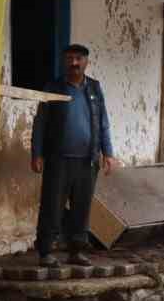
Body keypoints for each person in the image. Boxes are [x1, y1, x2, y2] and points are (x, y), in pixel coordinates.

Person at [30, 43, 118, 266]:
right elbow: (40, 123)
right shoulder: (53, 87)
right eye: (69, 59)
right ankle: (46, 251)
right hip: (59, 159)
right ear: (64, 61)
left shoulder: (94, 89)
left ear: (87, 62)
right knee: (52, 205)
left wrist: (108, 152)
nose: (74, 63)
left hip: (87, 160)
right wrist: (37, 153)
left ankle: (76, 251)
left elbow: (103, 122)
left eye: (79, 59)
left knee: (82, 207)